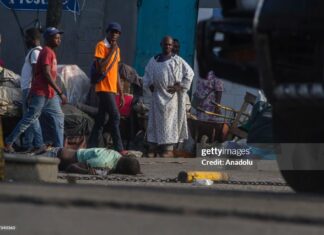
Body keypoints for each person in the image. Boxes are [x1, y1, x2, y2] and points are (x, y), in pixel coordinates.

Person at [4, 27, 67, 153]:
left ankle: (59, 151)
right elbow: (46, 74)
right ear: (48, 39)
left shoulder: (51, 53)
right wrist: (60, 92)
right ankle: (9, 142)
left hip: (49, 93)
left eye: (60, 37)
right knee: (30, 118)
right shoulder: (46, 52)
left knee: (58, 117)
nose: (59, 40)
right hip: (41, 93)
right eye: (56, 37)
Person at [143, 36, 194, 158]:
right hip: (156, 98)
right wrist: (149, 84)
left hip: (171, 99)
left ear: (172, 46)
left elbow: (190, 73)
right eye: (166, 44)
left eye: (170, 45)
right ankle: (154, 146)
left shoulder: (177, 61)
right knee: (155, 123)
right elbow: (146, 76)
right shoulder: (153, 60)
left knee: (168, 123)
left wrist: (179, 87)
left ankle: (168, 148)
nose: (168, 47)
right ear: (161, 44)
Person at [88, 22, 126, 154]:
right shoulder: (101, 45)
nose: (114, 34)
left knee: (100, 119)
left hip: (112, 89)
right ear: (107, 32)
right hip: (103, 88)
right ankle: (119, 148)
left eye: (117, 32)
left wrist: (121, 93)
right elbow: (102, 67)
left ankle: (91, 146)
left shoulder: (117, 49)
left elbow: (115, 73)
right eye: (112, 32)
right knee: (115, 116)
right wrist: (112, 51)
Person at [20, 28, 43, 152]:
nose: (25, 40)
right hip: (27, 88)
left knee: (31, 118)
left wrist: (32, 91)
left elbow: (36, 73)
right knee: (28, 117)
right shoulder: (34, 52)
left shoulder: (35, 52)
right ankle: (28, 144)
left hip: (29, 88)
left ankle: (39, 144)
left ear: (33, 39)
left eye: (27, 38)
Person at [44, 147, 141, 175]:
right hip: (55, 156)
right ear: (122, 170)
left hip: (59, 153)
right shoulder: (103, 163)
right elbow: (71, 167)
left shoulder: (117, 155)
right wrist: (87, 172)